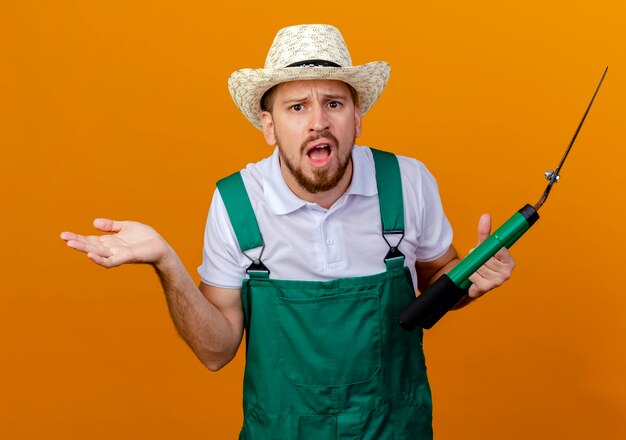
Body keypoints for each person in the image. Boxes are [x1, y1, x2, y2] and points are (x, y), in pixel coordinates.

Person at [61, 24, 514, 439]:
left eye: (333, 103)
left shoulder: (407, 182)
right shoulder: (238, 203)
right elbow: (216, 351)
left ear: (357, 116)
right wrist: (166, 262)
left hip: (395, 429)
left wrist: (473, 281)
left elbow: (440, 281)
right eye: (297, 107)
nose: (318, 121)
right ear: (269, 125)